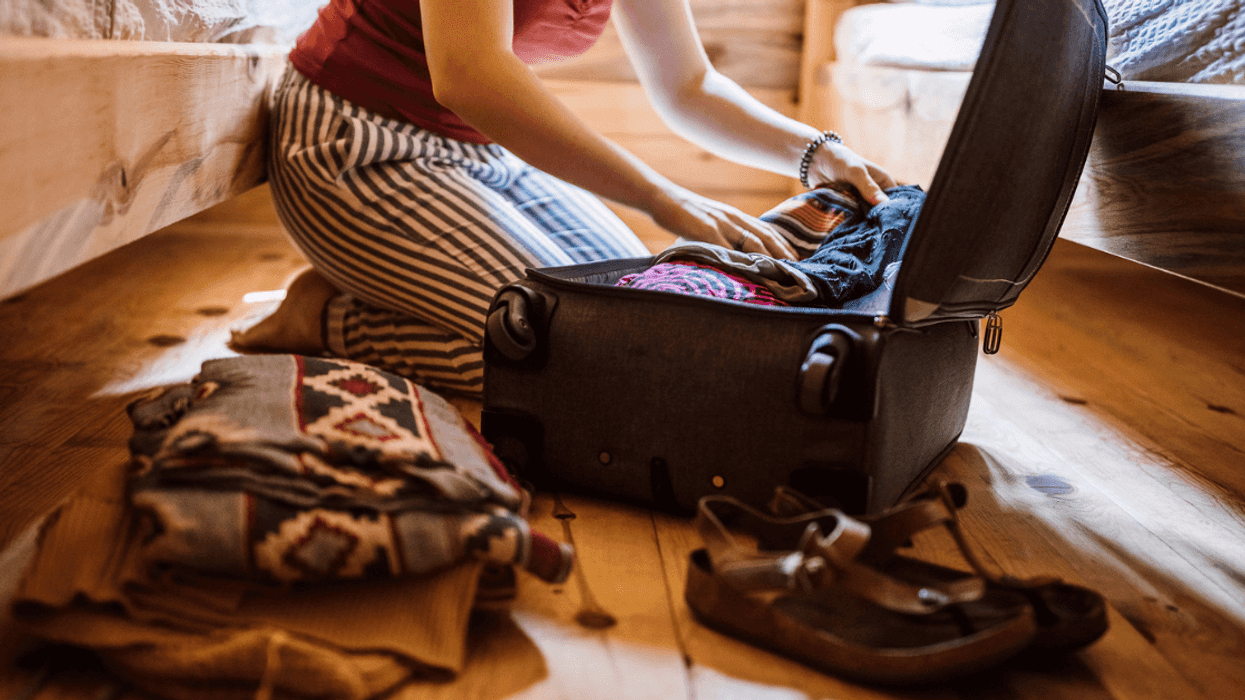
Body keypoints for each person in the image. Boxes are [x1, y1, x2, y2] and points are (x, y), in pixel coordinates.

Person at [232, 0, 897, 396]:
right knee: (592, 369)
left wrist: (815, 150)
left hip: (482, 153)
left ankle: (385, 282)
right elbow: (469, 74)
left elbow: (689, 83)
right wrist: (660, 196)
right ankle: (331, 320)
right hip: (354, 143)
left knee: (649, 328)